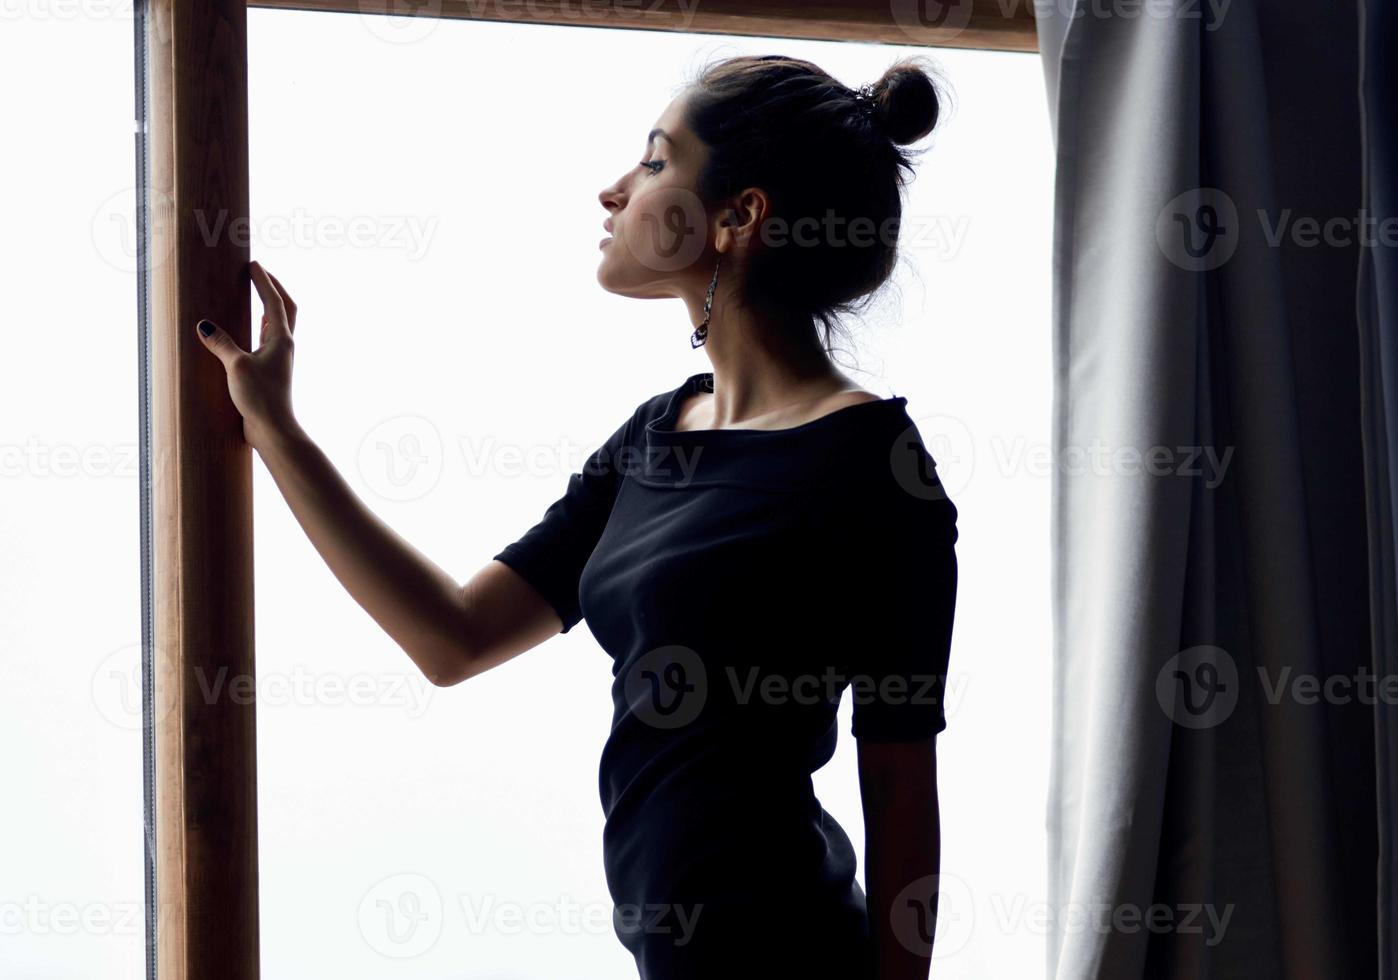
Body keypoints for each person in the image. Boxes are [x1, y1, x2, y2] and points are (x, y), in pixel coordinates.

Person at [196, 53, 959, 980]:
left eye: (652, 162)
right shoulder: (654, 435)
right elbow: (452, 637)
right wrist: (275, 429)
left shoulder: (874, 470)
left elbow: (903, 803)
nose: (612, 191)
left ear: (738, 216)